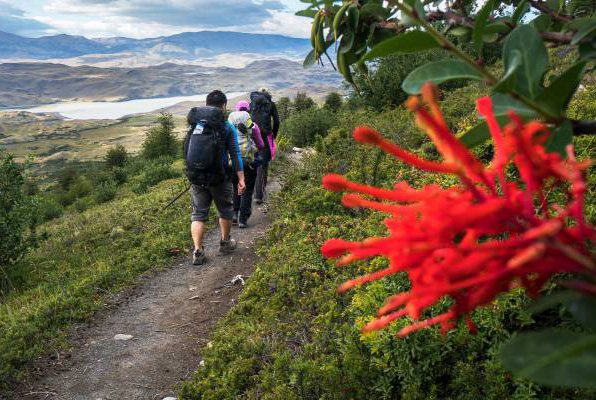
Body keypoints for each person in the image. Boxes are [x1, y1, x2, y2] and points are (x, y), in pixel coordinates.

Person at [184, 90, 245, 265]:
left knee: (198, 214)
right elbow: (235, 155)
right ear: (224, 106)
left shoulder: (195, 125)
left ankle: (198, 251)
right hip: (219, 177)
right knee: (225, 209)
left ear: (207, 104)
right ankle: (225, 243)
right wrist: (241, 178)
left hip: (197, 177)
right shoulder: (226, 127)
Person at [228, 100, 264, 228]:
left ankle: (234, 214)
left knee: (235, 186)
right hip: (248, 161)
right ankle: (243, 220)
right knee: (247, 190)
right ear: (248, 111)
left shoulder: (229, 126)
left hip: (232, 162)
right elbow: (261, 145)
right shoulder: (253, 126)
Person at [250, 87, 279, 204]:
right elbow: (277, 122)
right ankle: (259, 194)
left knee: (251, 163)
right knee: (263, 164)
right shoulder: (271, 104)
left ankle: (249, 192)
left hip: (252, 136)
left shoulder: (251, 103)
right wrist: (273, 135)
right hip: (265, 136)